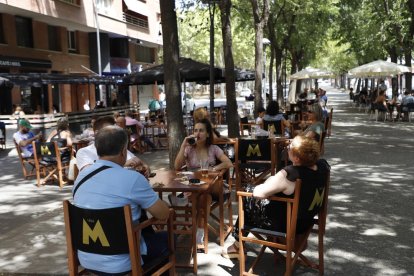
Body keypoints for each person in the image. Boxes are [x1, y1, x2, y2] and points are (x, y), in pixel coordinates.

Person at [73, 125, 170, 274]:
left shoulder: (81, 177)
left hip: (86, 258)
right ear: (124, 151)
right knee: (168, 238)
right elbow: (163, 215)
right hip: (123, 262)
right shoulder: (132, 179)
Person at [223, 135, 330, 258]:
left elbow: (258, 193)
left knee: (247, 195)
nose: (287, 148)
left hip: (285, 226)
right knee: (262, 198)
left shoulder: (290, 174)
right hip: (306, 221)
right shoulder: (322, 167)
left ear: (296, 157)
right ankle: (239, 245)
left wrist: (271, 181)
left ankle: (237, 245)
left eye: (289, 147)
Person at [174, 118, 233, 247]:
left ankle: (183, 201)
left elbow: (228, 163)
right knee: (204, 198)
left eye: (201, 131)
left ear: (207, 134)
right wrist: (183, 145)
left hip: (213, 186)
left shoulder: (213, 148)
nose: (197, 133)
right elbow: (177, 167)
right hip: (195, 185)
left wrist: (213, 168)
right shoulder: (189, 149)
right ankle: (200, 232)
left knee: (204, 191)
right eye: (195, 130)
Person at [76, 116, 150, 177]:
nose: (114, 134)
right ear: (96, 133)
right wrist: (122, 164)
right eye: (108, 132)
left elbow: (137, 160)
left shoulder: (117, 148)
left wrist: (145, 166)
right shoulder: (84, 152)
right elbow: (90, 173)